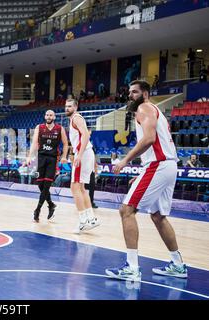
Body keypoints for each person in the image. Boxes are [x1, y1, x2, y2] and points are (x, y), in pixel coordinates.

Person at [105, 80, 187, 282]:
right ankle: (178, 265)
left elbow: (149, 138)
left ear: (146, 94)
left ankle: (132, 268)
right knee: (158, 216)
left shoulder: (144, 107)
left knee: (126, 210)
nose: (130, 95)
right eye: (130, 92)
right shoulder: (153, 110)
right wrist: (143, 171)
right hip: (166, 166)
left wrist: (125, 160)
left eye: (135, 92)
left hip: (158, 165)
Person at [65, 98, 100, 233]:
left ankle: (83, 221)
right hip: (86, 153)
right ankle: (91, 218)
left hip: (83, 154)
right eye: (66, 106)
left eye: (69, 106)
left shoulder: (76, 118)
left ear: (76, 107)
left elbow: (85, 135)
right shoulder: (74, 119)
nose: (67, 108)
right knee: (81, 188)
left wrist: (78, 154)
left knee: (74, 187)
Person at [26, 110, 69, 222]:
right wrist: (29, 156)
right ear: (45, 116)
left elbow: (65, 144)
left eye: (51, 115)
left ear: (54, 117)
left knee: (46, 185)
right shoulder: (39, 127)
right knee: (40, 184)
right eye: (47, 115)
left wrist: (64, 156)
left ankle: (38, 210)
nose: (49, 116)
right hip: (41, 158)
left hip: (52, 159)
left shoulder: (60, 129)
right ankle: (51, 204)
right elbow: (35, 143)